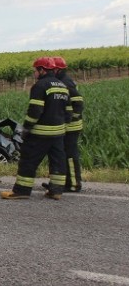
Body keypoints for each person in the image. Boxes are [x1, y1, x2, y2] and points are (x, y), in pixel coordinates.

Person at [1, 57, 69, 200]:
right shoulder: (62, 86)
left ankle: (21, 191)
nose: (34, 74)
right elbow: (68, 112)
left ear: (42, 70)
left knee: (28, 160)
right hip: (58, 134)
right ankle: (56, 191)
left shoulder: (40, 86)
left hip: (40, 134)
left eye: (35, 71)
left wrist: (26, 128)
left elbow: (35, 110)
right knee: (57, 161)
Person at [51, 56, 84, 192]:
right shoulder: (61, 80)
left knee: (70, 155)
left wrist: (71, 119)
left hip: (71, 127)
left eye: (52, 69)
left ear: (58, 69)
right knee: (63, 154)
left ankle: (74, 184)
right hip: (66, 126)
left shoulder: (65, 82)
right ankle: (65, 182)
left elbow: (78, 102)